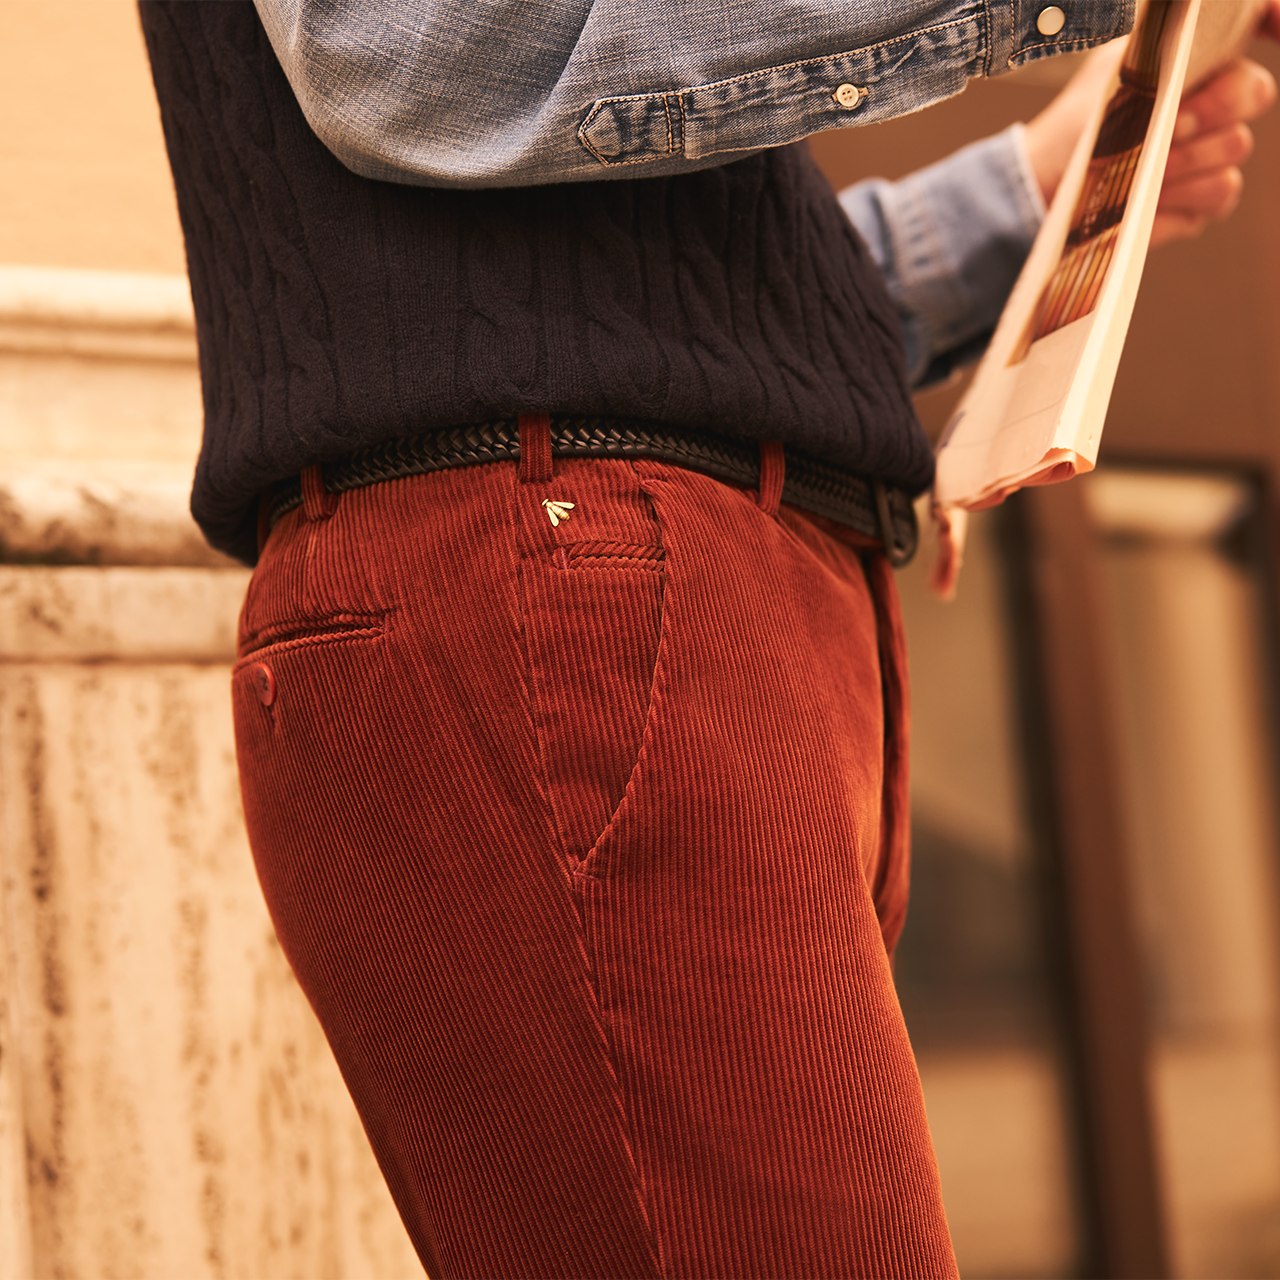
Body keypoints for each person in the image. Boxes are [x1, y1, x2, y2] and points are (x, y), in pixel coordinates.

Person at [138, 1, 1278, 1276]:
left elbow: (665, 309)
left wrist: (1028, 186)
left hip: (659, 584)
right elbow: (417, 57)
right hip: (577, 581)